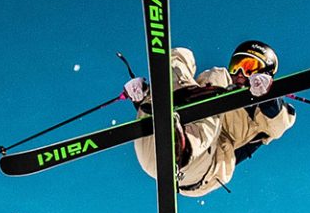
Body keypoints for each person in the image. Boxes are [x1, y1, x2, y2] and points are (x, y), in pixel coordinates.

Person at [123, 40, 295, 196]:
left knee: (218, 76)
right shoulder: (220, 84)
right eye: (236, 66)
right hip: (150, 149)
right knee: (180, 56)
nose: (240, 73)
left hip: (199, 168)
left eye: (249, 67)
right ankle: (159, 106)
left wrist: (270, 96)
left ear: (265, 73)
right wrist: (146, 95)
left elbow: (279, 124)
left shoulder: (265, 115)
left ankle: (180, 144)